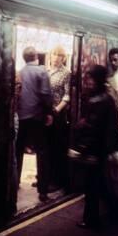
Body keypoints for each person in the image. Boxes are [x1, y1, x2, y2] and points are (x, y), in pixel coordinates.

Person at [70, 65, 118, 228]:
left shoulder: (98, 100)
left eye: (91, 78)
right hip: (101, 149)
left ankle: (91, 220)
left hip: (94, 150)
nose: (88, 82)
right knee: (99, 183)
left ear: (97, 79)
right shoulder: (107, 98)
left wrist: (82, 147)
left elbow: (94, 128)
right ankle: (112, 211)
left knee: (91, 186)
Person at [16, 46, 54, 202]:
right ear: (36, 56)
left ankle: (15, 182)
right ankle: (43, 191)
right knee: (42, 152)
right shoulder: (42, 71)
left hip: (22, 116)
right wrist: (49, 112)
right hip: (37, 117)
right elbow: (46, 94)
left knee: (18, 151)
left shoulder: (20, 72)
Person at [47, 45, 71, 190]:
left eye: (59, 55)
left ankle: (56, 181)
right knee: (46, 147)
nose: (56, 58)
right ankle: (44, 178)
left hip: (58, 114)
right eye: (54, 54)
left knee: (56, 147)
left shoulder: (66, 73)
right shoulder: (47, 71)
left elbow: (67, 95)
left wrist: (57, 109)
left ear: (63, 58)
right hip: (46, 113)